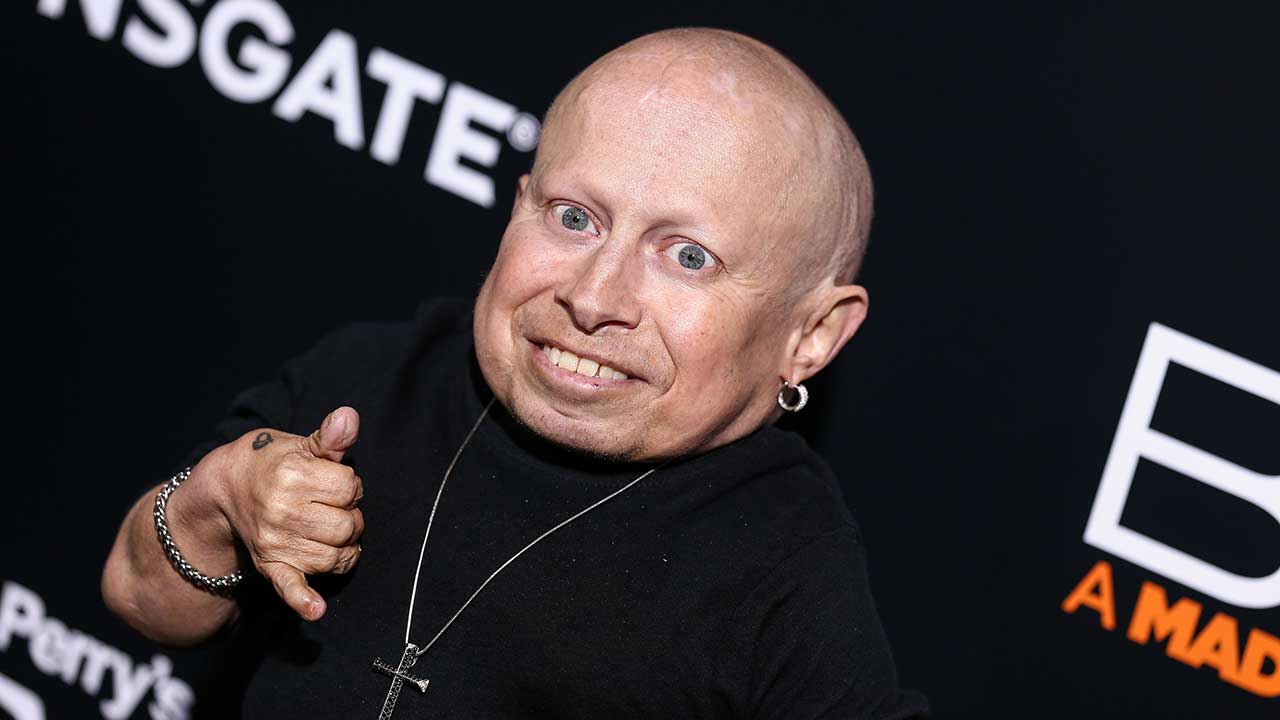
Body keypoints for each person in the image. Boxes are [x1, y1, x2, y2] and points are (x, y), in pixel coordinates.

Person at [103, 27, 929, 719]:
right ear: (518, 206)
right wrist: (218, 506)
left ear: (812, 336)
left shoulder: (789, 568)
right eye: (575, 218)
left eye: (687, 256)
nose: (595, 297)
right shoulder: (377, 375)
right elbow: (142, 601)